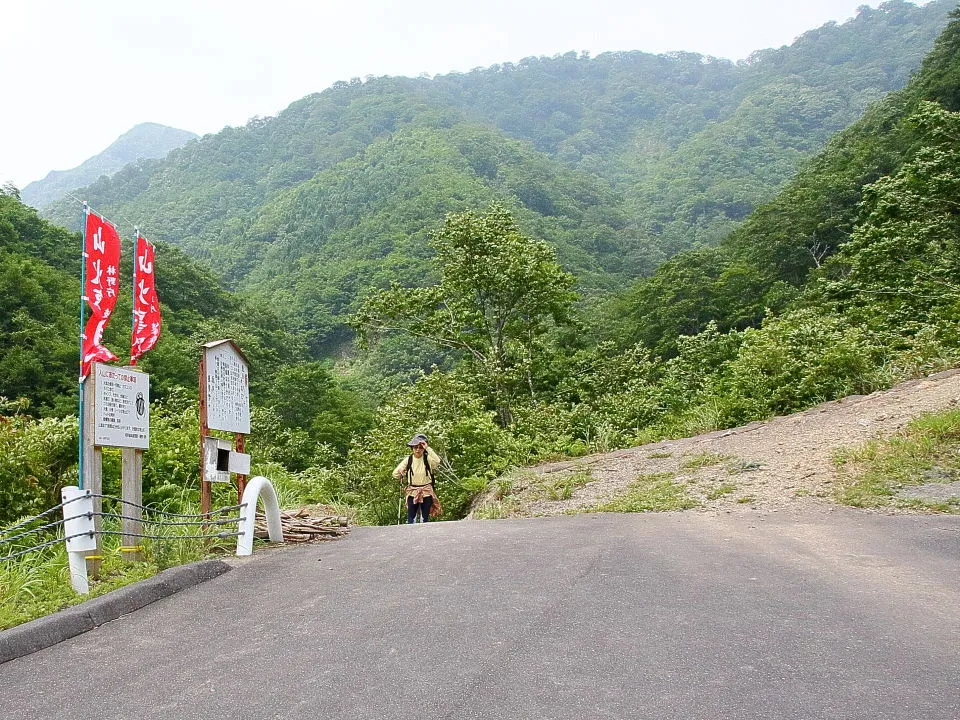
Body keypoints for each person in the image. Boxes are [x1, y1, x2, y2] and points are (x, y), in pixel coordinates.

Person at [392, 433, 442, 523]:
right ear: (412, 448)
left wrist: (427, 448)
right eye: (415, 447)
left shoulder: (428, 459)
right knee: (412, 517)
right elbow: (395, 473)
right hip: (412, 491)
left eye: (420, 447)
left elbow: (437, 461)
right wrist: (401, 473)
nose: (418, 450)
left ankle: (423, 535)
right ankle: (411, 535)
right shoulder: (408, 460)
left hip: (426, 490)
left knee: (424, 517)